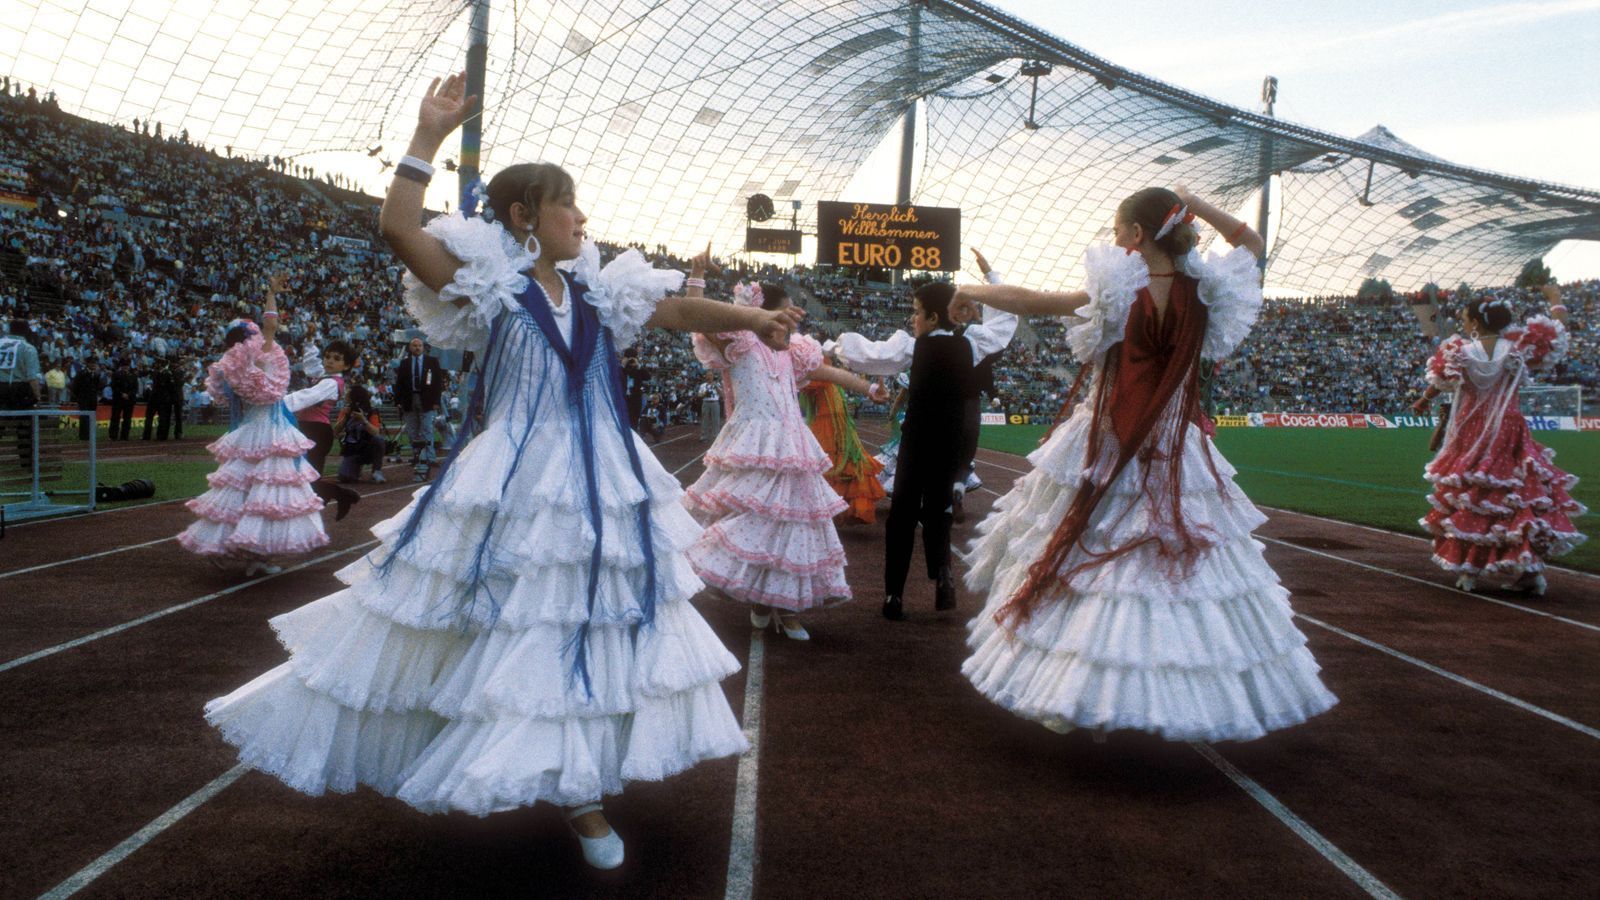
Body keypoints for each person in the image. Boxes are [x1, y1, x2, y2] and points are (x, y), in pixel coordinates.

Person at [204, 71, 803, 872]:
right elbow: (397, 231)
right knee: (515, 627)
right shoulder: (492, 285)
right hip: (519, 474)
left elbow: (676, 311)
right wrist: (425, 138)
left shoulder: (596, 288)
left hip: (604, 473)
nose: (583, 219)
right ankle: (567, 793)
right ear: (525, 216)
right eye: (568, 205)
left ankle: (579, 776)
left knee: (591, 620)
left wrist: (754, 318)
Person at [953, 186, 1336, 741]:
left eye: (1117, 232)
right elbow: (1251, 242)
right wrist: (1194, 204)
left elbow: (1034, 301)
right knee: (1179, 571)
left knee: (1090, 557)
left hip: (1108, 440)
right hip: (1173, 447)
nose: (1113, 241)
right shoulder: (1206, 290)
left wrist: (967, 288)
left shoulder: (1116, 290)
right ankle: (1178, 695)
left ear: (1135, 235)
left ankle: (1083, 689)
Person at [686, 279, 887, 640]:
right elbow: (694, 316)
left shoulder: (794, 351)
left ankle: (788, 608)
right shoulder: (741, 343)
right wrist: (697, 277)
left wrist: (869, 388)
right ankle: (761, 600)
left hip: (794, 447)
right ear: (763, 312)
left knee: (797, 529)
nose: (794, 317)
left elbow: (828, 374)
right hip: (755, 443)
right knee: (758, 524)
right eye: (787, 310)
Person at [830, 251, 1017, 620]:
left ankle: (893, 596)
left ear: (933, 317)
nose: (912, 319)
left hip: (916, 440)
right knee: (937, 513)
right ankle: (943, 574)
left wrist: (827, 347)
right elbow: (1005, 323)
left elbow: (869, 355)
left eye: (917, 312)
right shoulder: (972, 343)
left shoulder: (913, 347)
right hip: (949, 442)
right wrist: (992, 277)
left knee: (901, 516)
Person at [1412, 285, 1585, 595]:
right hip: (1508, 429)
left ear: (1476, 323)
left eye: (1465, 319)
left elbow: (1440, 382)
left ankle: (1469, 571)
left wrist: (1423, 400)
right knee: (1514, 497)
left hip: (1471, 429)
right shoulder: (1518, 349)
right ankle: (1529, 573)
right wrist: (1556, 301)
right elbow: (1558, 335)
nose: (1463, 324)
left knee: (1473, 497)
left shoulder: (1460, 352)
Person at [177, 286, 328, 577]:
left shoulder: (226, 366)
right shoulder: (258, 357)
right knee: (268, 497)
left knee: (240, 494)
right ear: (250, 337)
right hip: (271, 432)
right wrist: (271, 293)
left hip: (247, 433)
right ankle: (256, 557)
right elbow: (272, 323)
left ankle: (227, 549)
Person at [798, 360, 886, 525]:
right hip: (831, 418)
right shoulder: (820, 374)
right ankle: (837, 507)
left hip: (835, 420)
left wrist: (870, 389)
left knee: (835, 459)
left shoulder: (822, 370)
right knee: (833, 460)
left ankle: (838, 507)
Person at [292, 334, 362, 520]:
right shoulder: (325, 377)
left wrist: (278, 403)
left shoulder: (331, 383)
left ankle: (341, 496)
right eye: (328, 356)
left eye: (336, 359)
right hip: (307, 429)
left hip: (316, 432)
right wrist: (308, 341)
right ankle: (337, 497)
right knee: (300, 477)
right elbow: (311, 366)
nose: (330, 361)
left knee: (306, 479)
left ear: (346, 366)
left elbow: (306, 397)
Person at [394, 337, 445, 474]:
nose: (417, 348)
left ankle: (430, 457)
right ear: (410, 348)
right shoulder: (404, 363)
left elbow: (438, 383)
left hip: (427, 400)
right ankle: (416, 456)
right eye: (414, 345)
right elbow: (399, 384)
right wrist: (398, 401)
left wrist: (436, 402)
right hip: (409, 399)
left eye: (419, 346)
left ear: (423, 347)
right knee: (412, 430)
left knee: (427, 429)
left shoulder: (432, 362)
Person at [0, 319, 42, 464]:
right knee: (24, 426)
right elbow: (32, 377)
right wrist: (37, 396)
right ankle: (26, 461)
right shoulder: (27, 347)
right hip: (19, 388)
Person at [334, 383, 386, 484]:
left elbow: (376, 432)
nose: (345, 396)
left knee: (379, 440)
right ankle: (356, 468)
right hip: (352, 448)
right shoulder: (345, 411)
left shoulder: (371, 411)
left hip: (368, 447)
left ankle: (377, 470)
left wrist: (363, 420)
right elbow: (335, 431)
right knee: (345, 478)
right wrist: (346, 417)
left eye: (348, 394)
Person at [68, 358, 104, 441]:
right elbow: (75, 387)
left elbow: (99, 386)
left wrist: (97, 395)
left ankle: (91, 435)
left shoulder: (96, 374)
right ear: (87, 364)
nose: (94, 365)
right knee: (84, 417)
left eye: (95, 364)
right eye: (92, 364)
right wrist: (78, 397)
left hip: (93, 399)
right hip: (83, 398)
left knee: (92, 417)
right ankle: (84, 436)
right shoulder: (81, 373)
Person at [108, 358, 138, 440]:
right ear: (121, 366)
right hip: (118, 399)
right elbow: (114, 386)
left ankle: (125, 436)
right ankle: (113, 435)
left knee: (127, 419)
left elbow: (135, 388)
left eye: (127, 366)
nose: (126, 367)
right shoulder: (116, 374)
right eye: (124, 366)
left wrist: (128, 394)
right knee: (115, 417)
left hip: (129, 400)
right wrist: (122, 394)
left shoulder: (133, 376)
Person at [696, 369, 723, 443]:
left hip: (715, 402)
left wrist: (716, 387)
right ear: (706, 376)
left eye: (711, 375)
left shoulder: (717, 384)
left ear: (713, 376)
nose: (709, 377)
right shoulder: (703, 385)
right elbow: (699, 395)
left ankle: (716, 436)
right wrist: (705, 393)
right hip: (706, 402)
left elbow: (722, 394)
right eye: (708, 375)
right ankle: (704, 436)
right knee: (705, 420)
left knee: (716, 420)